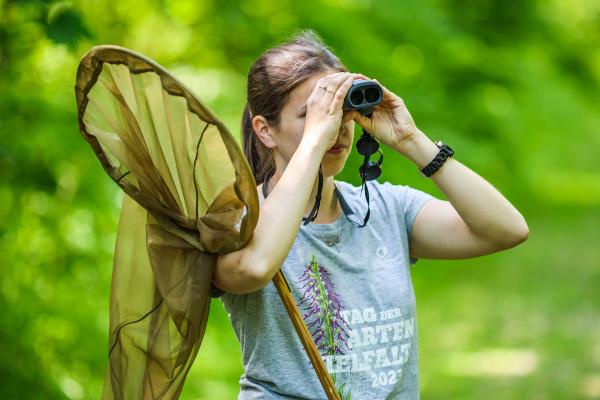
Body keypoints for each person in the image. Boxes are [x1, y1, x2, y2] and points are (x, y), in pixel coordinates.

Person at [211, 29, 529, 399]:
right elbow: (254, 267)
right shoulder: (239, 221)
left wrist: (411, 140)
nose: (337, 127)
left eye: (343, 111)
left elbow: (506, 229)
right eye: (311, 114)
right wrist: (316, 140)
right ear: (265, 130)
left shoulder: (385, 209)